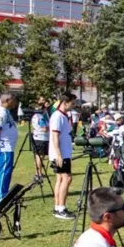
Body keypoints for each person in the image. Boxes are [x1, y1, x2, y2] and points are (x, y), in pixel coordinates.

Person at [49, 92, 77, 220]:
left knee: (60, 179)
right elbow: (55, 136)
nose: (73, 105)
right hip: (60, 154)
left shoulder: (63, 116)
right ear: (65, 103)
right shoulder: (58, 116)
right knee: (67, 179)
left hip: (64, 153)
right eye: (72, 103)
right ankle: (61, 208)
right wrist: (59, 155)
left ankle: (57, 207)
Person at [29, 97, 50, 180]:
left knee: (42, 156)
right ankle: (38, 173)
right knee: (39, 156)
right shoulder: (39, 116)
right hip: (40, 138)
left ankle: (40, 172)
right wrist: (50, 127)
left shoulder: (43, 115)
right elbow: (44, 128)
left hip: (44, 138)